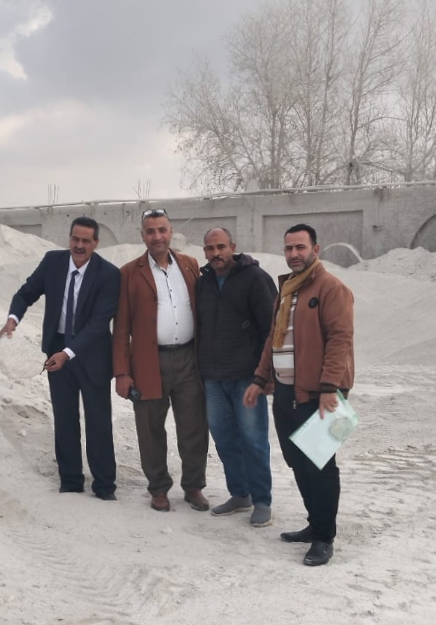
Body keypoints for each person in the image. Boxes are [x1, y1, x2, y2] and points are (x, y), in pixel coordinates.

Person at [244, 223, 354, 566]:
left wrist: (330, 388)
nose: (294, 254)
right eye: (289, 248)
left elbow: (340, 340)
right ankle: (314, 524)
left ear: (315, 250)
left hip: (322, 393)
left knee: (320, 465)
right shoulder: (287, 291)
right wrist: (260, 378)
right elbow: (273, 340)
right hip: (286, 391)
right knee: (298, 462)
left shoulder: (332, 288)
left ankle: (324, 538)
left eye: (300, 247)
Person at [0, 216, 120, 501]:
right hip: (56, 350)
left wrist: (68, 353)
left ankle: (104, 486)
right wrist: (13, 318)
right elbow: (26, 292)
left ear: (96, 243)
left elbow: (99, 323)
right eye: (75, 239)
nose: (79, 245)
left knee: (98, 421)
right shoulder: (52, 262)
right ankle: (71, 481)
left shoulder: (109, 274)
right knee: (64, 418)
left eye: (86, 241)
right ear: (69, 239)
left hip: (92, 355)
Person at [112, 209, 209, 512]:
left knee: (193, 427)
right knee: (150, 428)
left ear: (171, 232)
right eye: (151, 231)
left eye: (162, 230)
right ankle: (158, 488)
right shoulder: (129, 273)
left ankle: (193, 486)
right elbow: (121, 327)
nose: (157, 237)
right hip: (148, 362)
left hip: (189, 360)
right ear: (142, 236)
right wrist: (122, 373)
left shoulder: (190, 265)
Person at [196, 228, 277, 527]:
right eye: (210, 248)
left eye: (221, 247)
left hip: (247, 376)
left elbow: (272, 328)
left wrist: (265, 374)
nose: (215, 253)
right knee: (224, 438)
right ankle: (240, 494)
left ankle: (262, 500)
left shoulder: (255, 278)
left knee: (253, 439)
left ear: (233, 246)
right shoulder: (203, 283)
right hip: (213, 377)